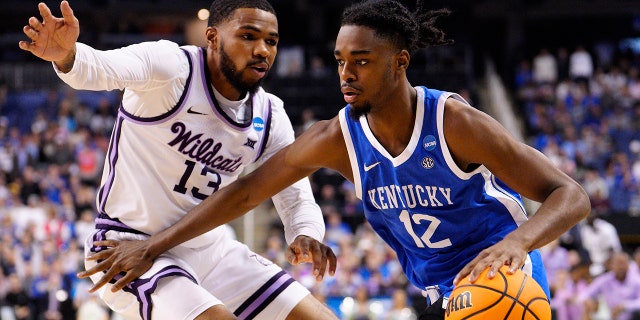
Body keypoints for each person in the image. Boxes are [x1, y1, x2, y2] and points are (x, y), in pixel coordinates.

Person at [75, 0, 590, 319]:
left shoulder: (454, 122)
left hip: (501, 277)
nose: (346, 73)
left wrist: (516, 244)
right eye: (341, 61)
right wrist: (156, 246)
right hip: (434, 288)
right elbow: (249, 192)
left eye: (362, 62)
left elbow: (572, 195)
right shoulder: (336, 138)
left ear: (399, 63)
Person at [19, 1, 338, 319]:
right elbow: (103, 68)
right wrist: (67, 56)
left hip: (213, 250)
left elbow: (294, 191)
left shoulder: (270, 114)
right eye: (248, 37)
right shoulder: (171, 68)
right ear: (212, 37)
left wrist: (305, 230)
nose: (262, 50)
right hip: (129, 246)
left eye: (271, 41)